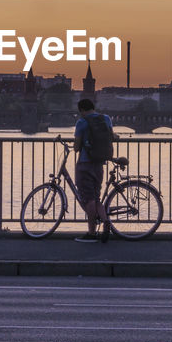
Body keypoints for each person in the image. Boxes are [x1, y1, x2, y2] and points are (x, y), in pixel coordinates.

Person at [72, 98, 114, 242]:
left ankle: (91, 233)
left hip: (85, 164)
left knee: (89, 199)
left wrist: (76, 144)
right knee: (96, 198)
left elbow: (77, 147)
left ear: (82, 110)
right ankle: (105, 220)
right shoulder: (106, 119)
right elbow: (111, 136)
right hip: (99, 163)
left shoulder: (82, 122)